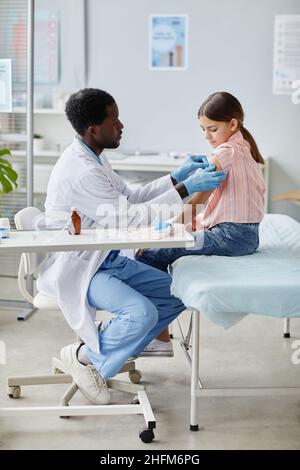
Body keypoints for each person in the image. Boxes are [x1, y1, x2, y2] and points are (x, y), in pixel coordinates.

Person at [36, 88, 225, 405]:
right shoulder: (81, 171)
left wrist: (176, 176)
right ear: (94, 129)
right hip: (83, 266)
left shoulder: (94, 158)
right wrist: (186, 189)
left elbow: (131, 196)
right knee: (142, 313)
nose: (121, 125)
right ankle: (85, 356)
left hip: (106, 258)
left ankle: (103, 347)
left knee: (177, 291)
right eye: (114, 120)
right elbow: (127, 217)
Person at [137, 91, 265, 274]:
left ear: (233, 124)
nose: (207, 136)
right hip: (251, 238)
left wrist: (167, 231)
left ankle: (166, 300)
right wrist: (193, 224)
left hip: (228, 236)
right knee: (180, 234)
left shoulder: (222, 154)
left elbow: (197, 203)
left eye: (212, 129)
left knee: (150, 253)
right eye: (203, 129)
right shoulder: (247, 150)